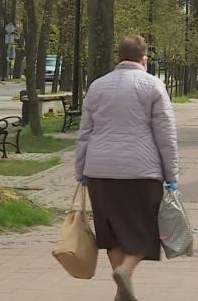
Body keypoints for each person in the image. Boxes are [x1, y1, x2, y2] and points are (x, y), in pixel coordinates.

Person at [75, 35, 178, 301]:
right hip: (141, 172)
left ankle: (122, 290)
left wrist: (81, 170)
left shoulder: (97, 86)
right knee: (146, 231)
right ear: (144, 58)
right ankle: (124, 270)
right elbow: (166, 134)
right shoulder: (154, 85)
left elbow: (85, 132)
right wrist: (172, 175)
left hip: (101, 172)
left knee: (112, 234)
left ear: (118, 57)